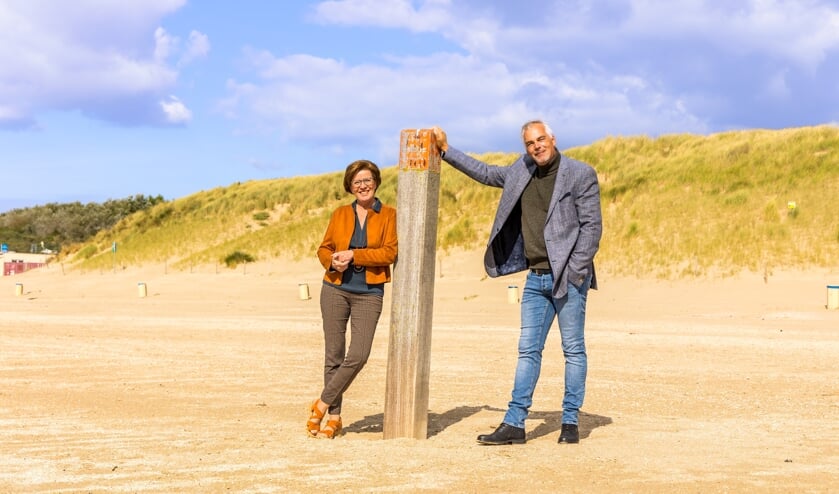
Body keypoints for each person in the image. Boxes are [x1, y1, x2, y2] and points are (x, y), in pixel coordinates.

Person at [432, 121, 602, 445]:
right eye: (530, 143)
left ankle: (570, 422)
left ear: (552, 139)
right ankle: (515, 423)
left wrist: (576, 271)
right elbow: (484, 173)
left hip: (568, 279)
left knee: (573, 350)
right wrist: (445, 151)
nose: (536, 147)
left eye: (541, 140)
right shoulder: (521, 170)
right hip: (536, 279)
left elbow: (592, 228)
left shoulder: (580, 174)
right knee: (527, 351)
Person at [306, 159, 398, 439]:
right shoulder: (340, 214)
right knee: (333, 355)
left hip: (370, 292)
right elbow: (324, 248)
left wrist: (354, 255)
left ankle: (321, 403)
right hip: (335, 288)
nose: (363, 186)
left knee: (359, 354)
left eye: (367, 180)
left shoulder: (390, 215)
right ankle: (334, 418)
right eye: (357, 182)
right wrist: (333, 261)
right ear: (350, 186)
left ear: (376, 182)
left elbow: (389, 253)